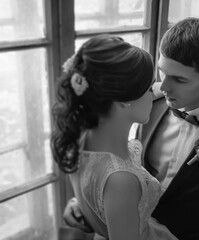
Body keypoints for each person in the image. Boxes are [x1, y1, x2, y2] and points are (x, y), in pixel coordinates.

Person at [64, 18, 199, 240]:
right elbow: (116, 164)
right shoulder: (146, 102)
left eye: (180, 80)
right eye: (162, 71)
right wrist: (89, 204)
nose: (163, 86)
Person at [51, 34, 178, 240]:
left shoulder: (79, 137)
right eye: (148, 88)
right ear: (123, 100)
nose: (157, 92)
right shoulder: (120, 180)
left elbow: (94, 197)